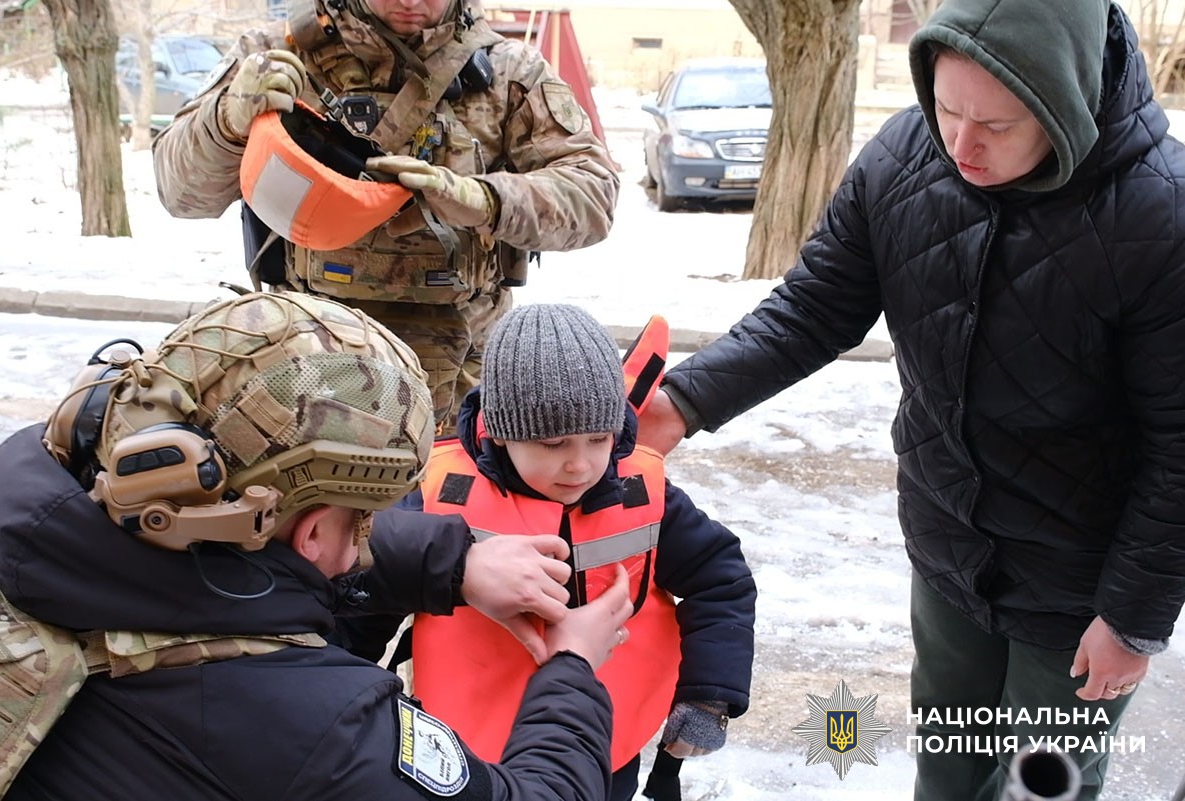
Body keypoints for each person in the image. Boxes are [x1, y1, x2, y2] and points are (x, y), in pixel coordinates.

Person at [637, 2, 1185, 799]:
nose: (961, 143)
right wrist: (682, 400)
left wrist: (1131, 619)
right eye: (948, 109)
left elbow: (1180, 446)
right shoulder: (905, 156)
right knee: (950, 771)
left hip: (1080, 583)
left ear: (1065, 107)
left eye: (995, 123)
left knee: (1046, 783)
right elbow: (814, 308)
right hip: (950, 553)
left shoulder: (1158, 216)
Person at [0, 291, 634, 801]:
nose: (362, 545)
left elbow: (244, 574)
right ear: (316, 529)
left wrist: (455, 561)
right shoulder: (317, 727)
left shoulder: (50, 524)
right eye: (363, 520)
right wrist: (572, 667)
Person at [151, 0, 619, 430]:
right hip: (302, 369)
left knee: (447, 521)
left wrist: (485, 200)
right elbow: (180, 194)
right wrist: (226, 122)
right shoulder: (278, 55)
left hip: (463, 386)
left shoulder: (508, 72)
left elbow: (595, 196)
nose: (412, 1)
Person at [396, 303, 756, 801]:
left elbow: (722, 580)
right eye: (553, 443)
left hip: (600, 741)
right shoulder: (439, 494)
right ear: (500, 431)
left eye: (598, 438)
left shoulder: (645, 495)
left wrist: (708, 696)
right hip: (463, 745)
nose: (580, 465)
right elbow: (367, 588)